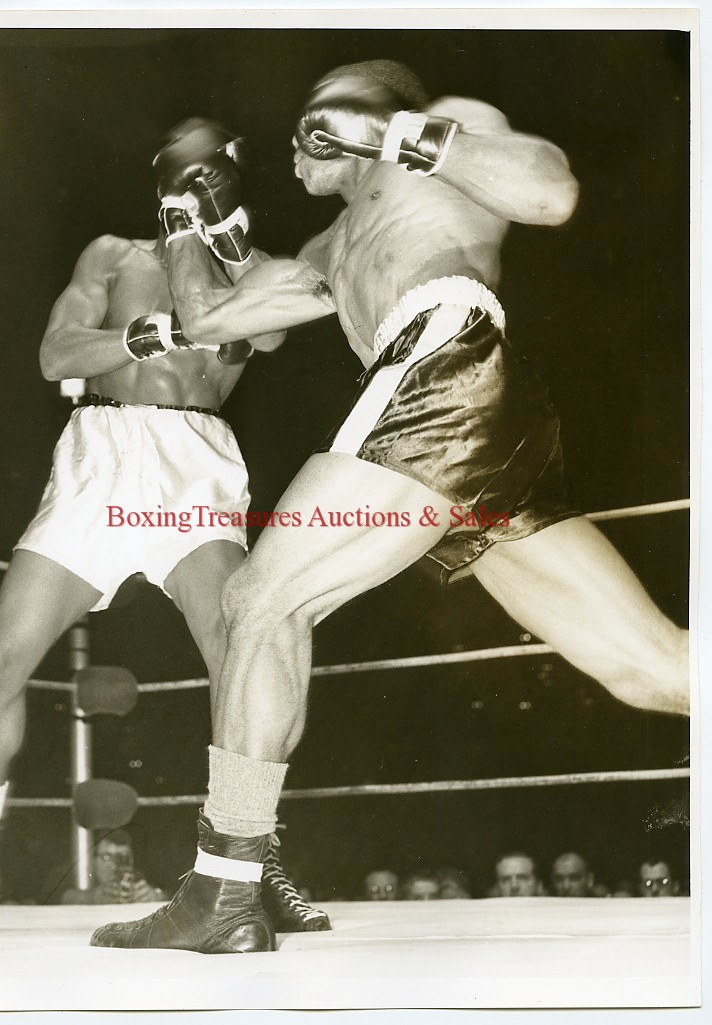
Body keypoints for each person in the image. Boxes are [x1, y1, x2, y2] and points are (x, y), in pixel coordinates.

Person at [91, 59, 689, 953]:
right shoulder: (332, 246)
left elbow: (551, 191)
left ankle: (222, 886)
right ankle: (225, 889)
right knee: (654, 668)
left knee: (261, 600)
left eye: (308, 124)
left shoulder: (440, 138)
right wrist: (185, 212)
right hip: (471, 433)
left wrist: (394, 131)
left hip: (444, 363)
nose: (293, 150)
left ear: (351, 113)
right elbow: (217, 319)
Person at [0, 123, 330, 935]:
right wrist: (158, 333)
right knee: (1, 657)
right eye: (188, 162)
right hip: (99, 458)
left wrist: (218, 243)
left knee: (246, 654)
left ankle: (250, 854)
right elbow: (55, 355)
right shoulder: (111, 255)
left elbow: (271, 330)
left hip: (192, 466)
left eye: (214, 164)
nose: (200, 174)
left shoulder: (247, 267)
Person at [60, 830, 168, 905]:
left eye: (123, 858)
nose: (115, 866)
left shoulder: (140, 878)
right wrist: (92, 898)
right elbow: (56, 895)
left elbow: (171, 893)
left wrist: (157, 896)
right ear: (92, 860)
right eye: (107, 857)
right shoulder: (78, 876)